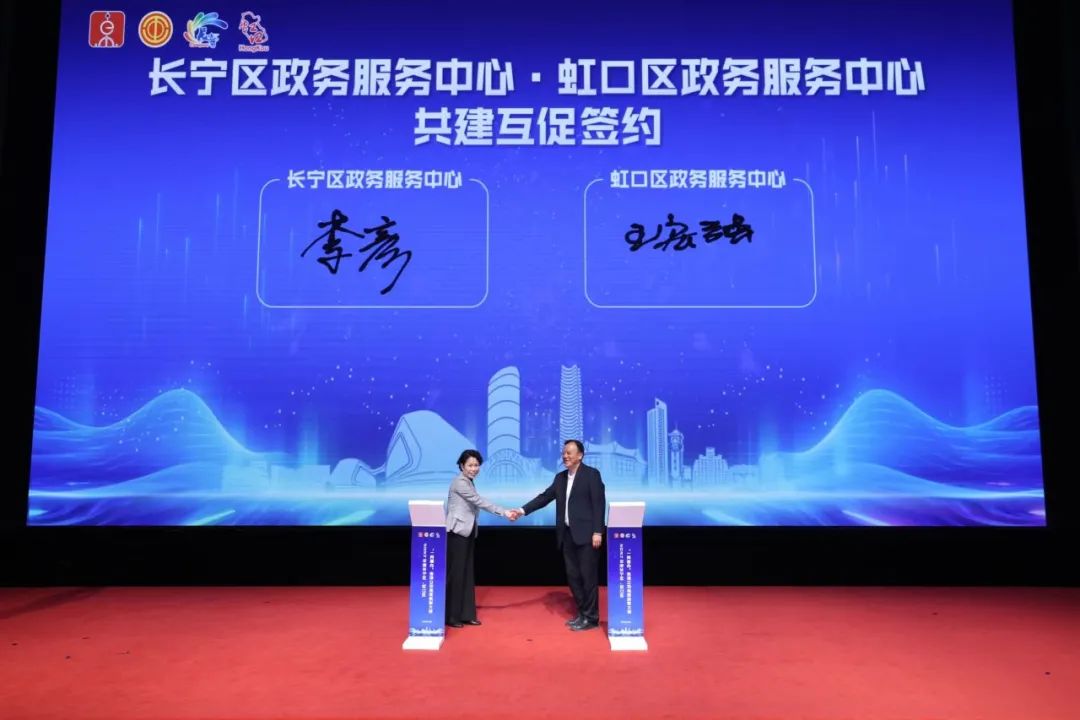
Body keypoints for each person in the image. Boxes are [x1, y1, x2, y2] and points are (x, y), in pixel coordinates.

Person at [511, 439, 606, 631]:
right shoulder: (560, 478)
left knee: (588, 577)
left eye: (569, 453)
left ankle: (591, 618)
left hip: (587, 535)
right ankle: (582, 613)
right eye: (564, 453)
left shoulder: (592, 475)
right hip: (567, 534)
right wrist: (522, 510)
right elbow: (544, 497)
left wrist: (598, 531)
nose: (565, 456)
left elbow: (599, 503)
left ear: (580, 455)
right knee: (573, 577)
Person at [445, 449, 517, 628]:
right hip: (457, 533)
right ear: (462, 466)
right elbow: (479, 501)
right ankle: (452, 616)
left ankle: (466, 614)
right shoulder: (459, 482)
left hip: (467, 531)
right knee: (457, 574)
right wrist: (504, 512)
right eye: (470, 465)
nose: (474, 469)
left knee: (467, 573)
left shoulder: (468, 482)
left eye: (476, 465)